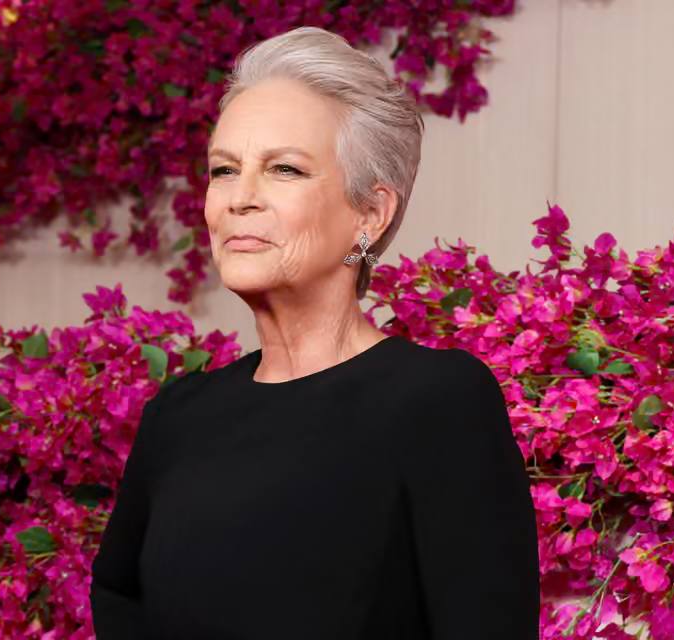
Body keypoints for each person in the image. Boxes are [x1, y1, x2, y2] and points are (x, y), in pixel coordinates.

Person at [89, 25, 540, 639]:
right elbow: (118, 596)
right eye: (224, 170)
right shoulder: (177, 415)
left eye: (284, 169)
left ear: (370, 213)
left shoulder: (438, 401)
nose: (240, 199)